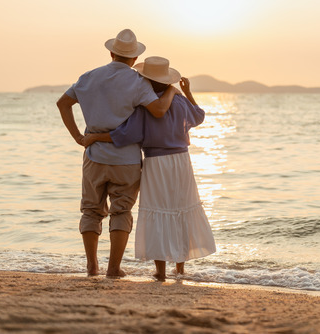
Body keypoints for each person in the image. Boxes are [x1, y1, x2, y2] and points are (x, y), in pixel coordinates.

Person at [56, 29, 179, 278]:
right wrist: (171, 91)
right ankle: (113, 268)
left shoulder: (89, 77)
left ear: (111, 52)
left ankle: (92, 267)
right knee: (121, 211)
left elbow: (63, 103)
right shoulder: (138, 82)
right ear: (134, 59)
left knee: (91, 210)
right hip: (127, 159)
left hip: (94, 155)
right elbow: (157, 111)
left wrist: (79, 137)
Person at [83, 56, 216, 281]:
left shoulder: (145, 107)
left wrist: (95, 136)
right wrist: (187, 92)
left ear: (147, 80)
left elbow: (124, 135)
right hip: (182, 163)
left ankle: (161, 271)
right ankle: (180, 268)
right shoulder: (181, 101)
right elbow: (199, 116)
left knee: (158, 211)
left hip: (156, 163)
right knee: (180, 208)